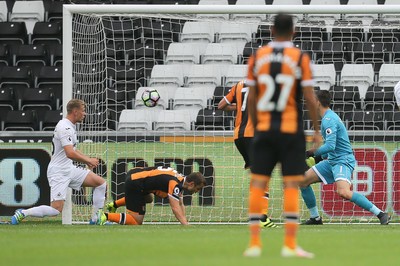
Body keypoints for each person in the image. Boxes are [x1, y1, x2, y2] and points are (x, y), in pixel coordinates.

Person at [243, 13, 321, 258]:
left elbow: (252, 95)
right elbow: (309, 96)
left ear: (271, 30)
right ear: (294, 31)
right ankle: (290, 244)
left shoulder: (257, 57)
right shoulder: (299, 57)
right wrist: (316, 130)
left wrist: (257, 125)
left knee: (258, 182)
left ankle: (254, 243)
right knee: (290, 185)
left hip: (264, 129)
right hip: (290, 130)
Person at [300, 90, 391, 225]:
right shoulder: (327, 118)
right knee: (303, 181)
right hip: (332, 160)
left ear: (318, 102)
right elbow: (332, 145)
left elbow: (330, 145)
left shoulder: (329, 119)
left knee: (344, 192)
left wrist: (311, 153)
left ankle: (381, 214)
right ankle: (315, 218)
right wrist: (321, 156)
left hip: (342, 160)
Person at [11, 99, 106, 225]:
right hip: (59, 172)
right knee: (56, 210)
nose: (85, 114)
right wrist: (88, 160)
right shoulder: (64, 127)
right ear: (75, 111)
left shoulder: (70, 126)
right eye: (83, 111)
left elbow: (73, 150)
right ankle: (23, 213)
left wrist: (87, 160)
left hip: (69, 169)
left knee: (100, 183)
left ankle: (96, 219)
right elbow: (70, 153)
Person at [218, 80, 277, 228]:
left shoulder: (239, 85)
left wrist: (239, 108)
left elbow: (221, 106)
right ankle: (261, 217)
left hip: (239, 136)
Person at [97, 166, 206, 225]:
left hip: (136, 174)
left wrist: (185, 221)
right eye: (198, 188)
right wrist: (185, 224)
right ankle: (105, 216)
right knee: (136, 221)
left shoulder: (181, 180)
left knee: (148, 198)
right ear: (191, 184)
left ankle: (114, 205)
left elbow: (180, 203)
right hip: (135, 182)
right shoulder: (176, 183)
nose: (197, 191)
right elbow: (175, 207)